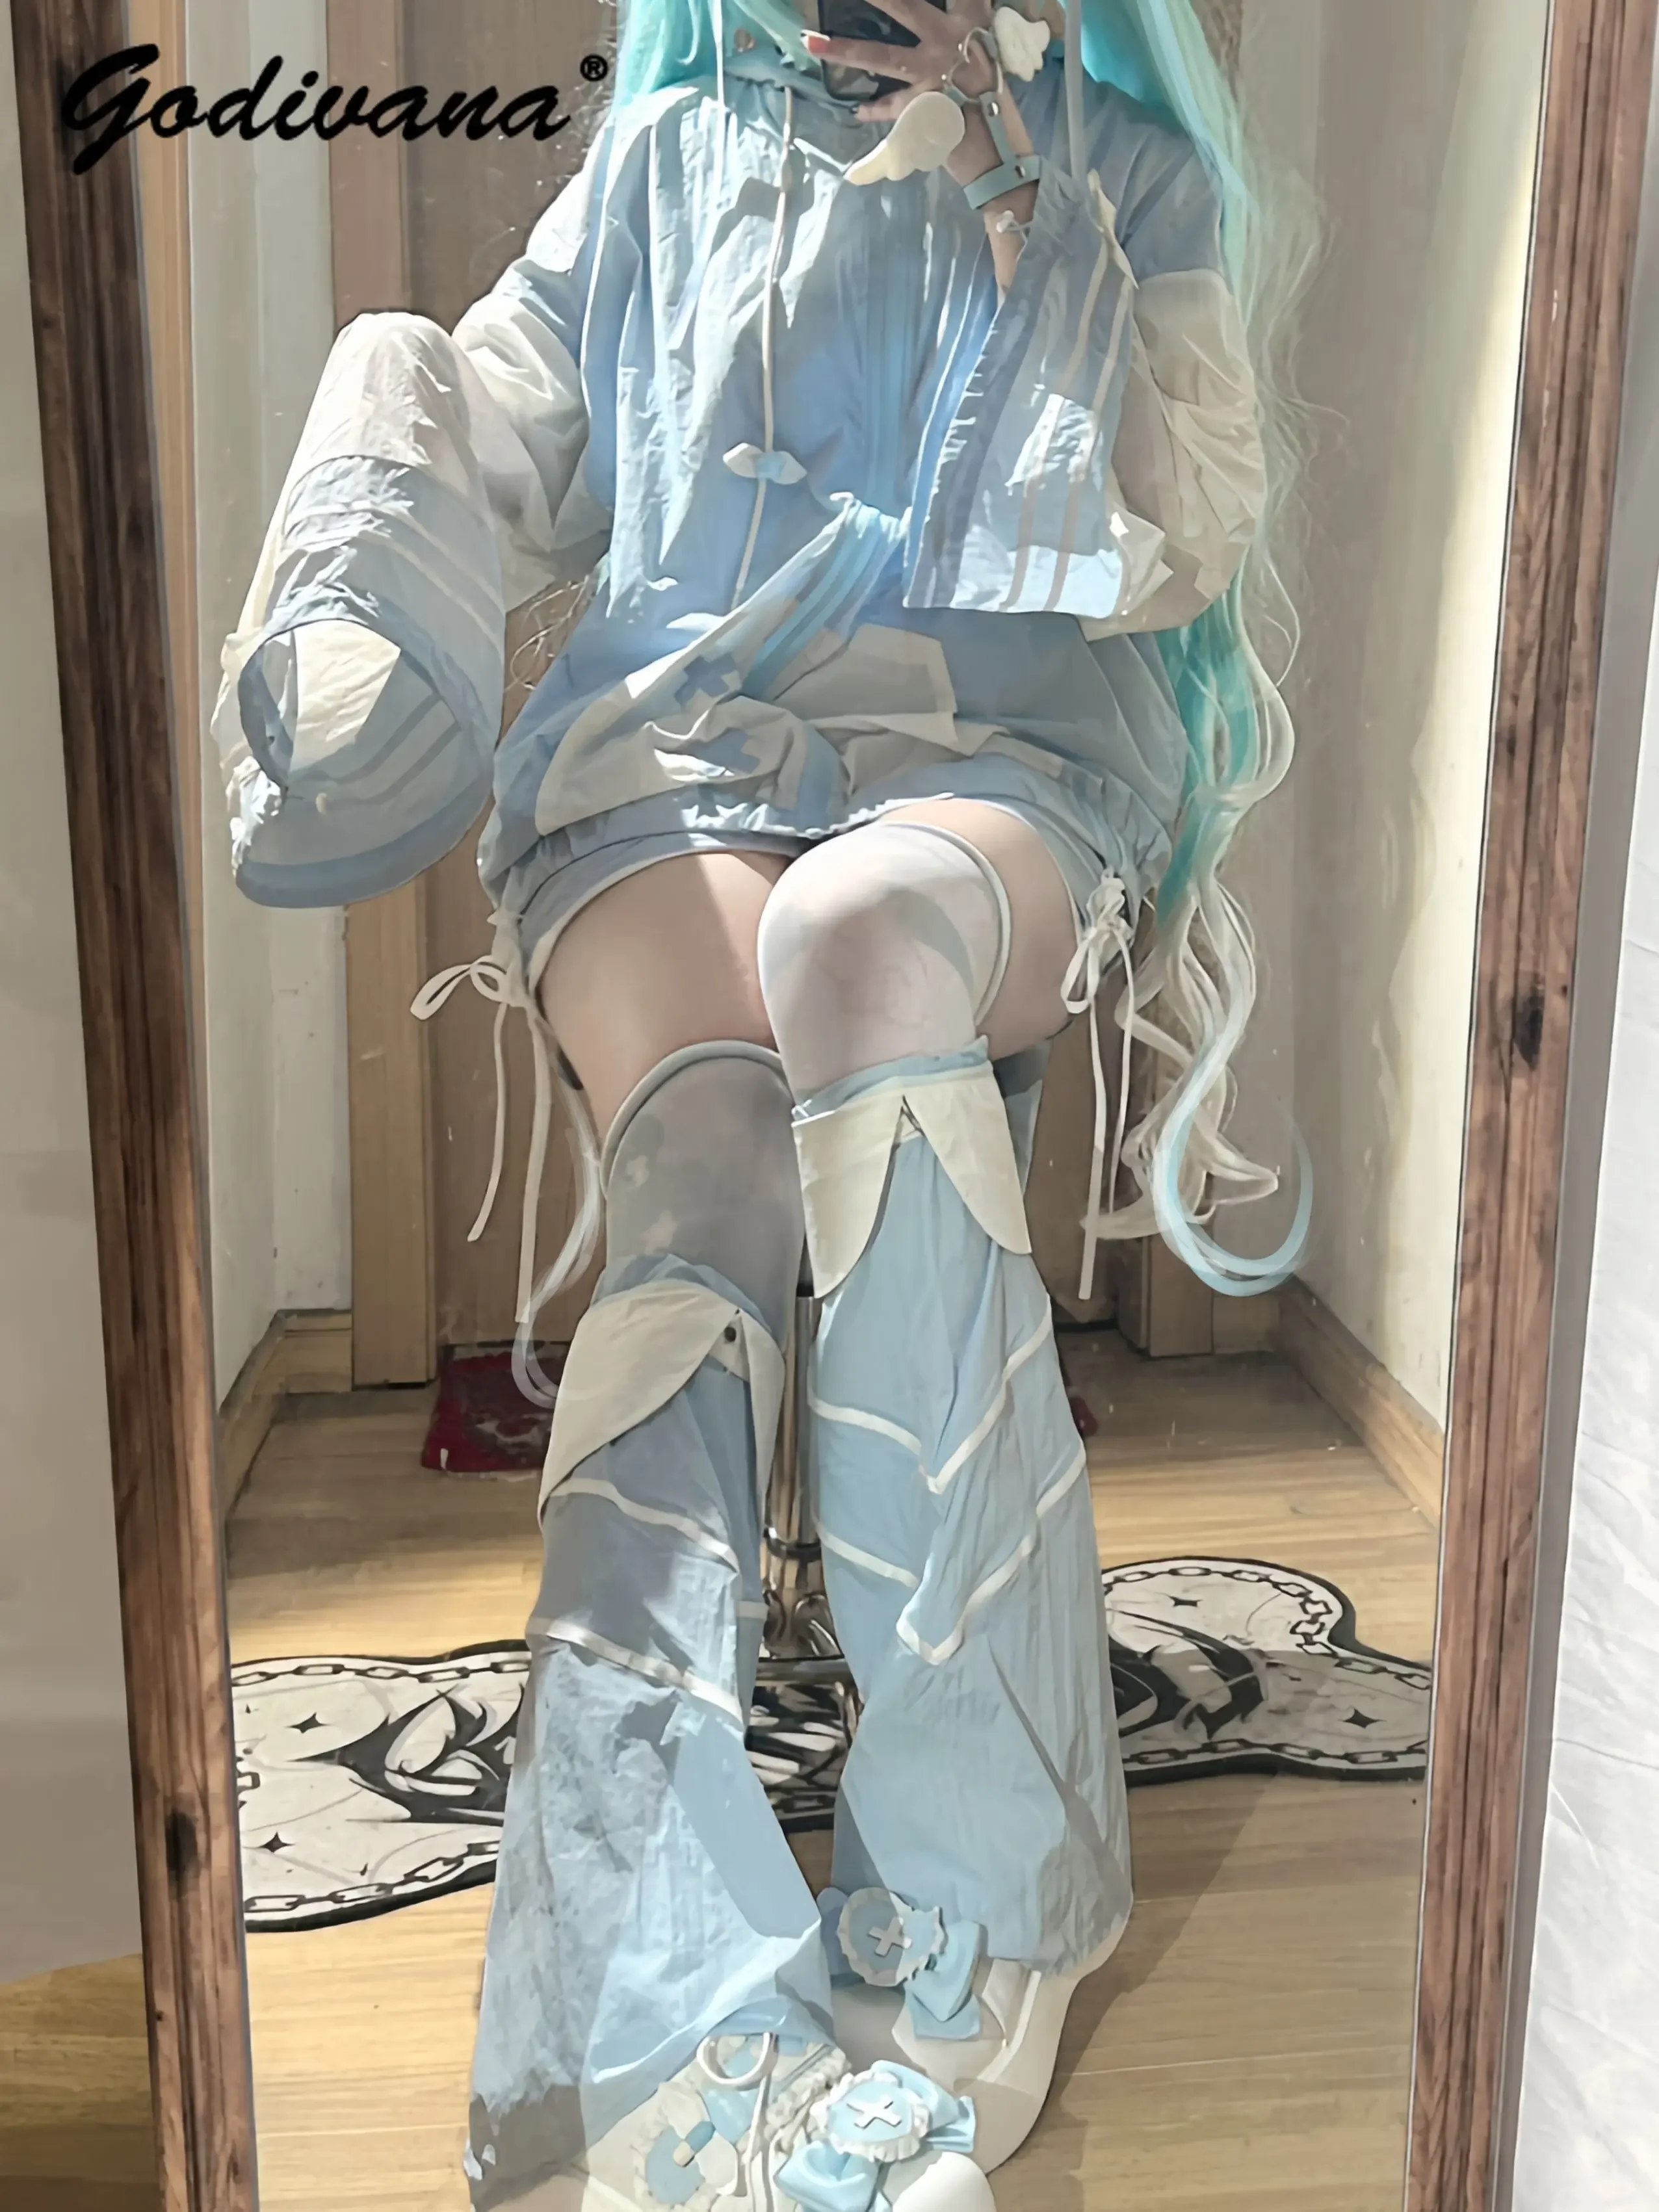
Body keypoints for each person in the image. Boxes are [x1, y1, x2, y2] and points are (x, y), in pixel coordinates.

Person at [215, 0, 1307, 2202]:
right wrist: (387, 420)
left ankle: (989, 1872)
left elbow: (1177, 535)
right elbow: (514, 427)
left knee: (856, 942)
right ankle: (633, 1968)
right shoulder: (664, 150)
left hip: (1007, 775)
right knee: (703, 1186)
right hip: (681, 763)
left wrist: (1011, 180)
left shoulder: (1123, 169)